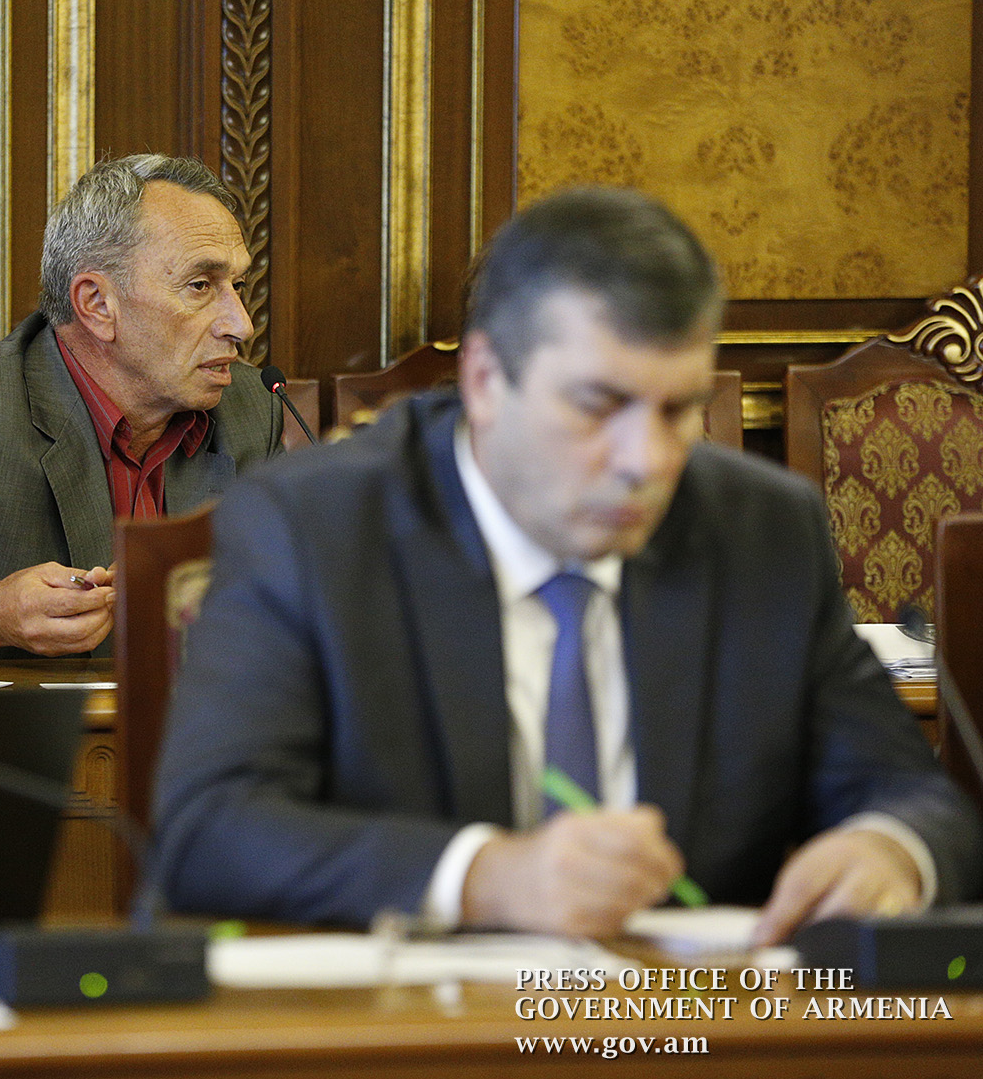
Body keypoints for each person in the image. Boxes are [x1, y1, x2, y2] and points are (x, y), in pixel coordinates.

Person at [152, 187, 983, 943]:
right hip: (416, 1028)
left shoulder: (760, 529)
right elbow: (208, 829)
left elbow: (916, 798)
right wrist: (487, 876)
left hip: (691, 1023)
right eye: (598, 405)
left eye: (678, 410)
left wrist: (888, 851)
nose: (645, 460)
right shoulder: (315, 526)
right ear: (485, 379)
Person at [0, 154, 282, 663]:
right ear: (96, 304)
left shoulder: (252, 409)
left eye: (237, 287)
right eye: (201, 286)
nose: (241, 325)